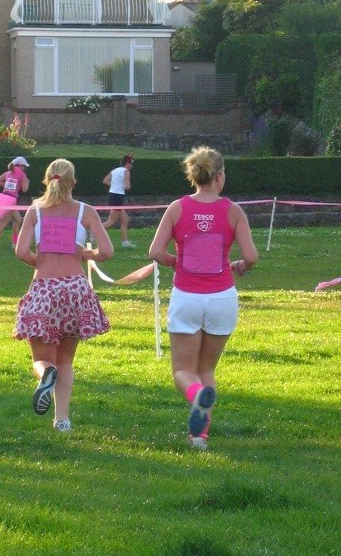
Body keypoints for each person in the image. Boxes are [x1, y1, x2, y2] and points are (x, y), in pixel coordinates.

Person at [148, 146, 258, 451]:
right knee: (207, 369)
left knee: (183, 371)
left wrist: (174, 262)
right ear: (220, 176)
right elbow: (251, 256)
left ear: (193, 175)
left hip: (187, 297)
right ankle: (200, 437)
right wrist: (240, 266)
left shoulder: (177, 208)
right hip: (222, 297)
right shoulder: (233, 211)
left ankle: (195, 394)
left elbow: (155, 252)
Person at [14, 159, 112, 432]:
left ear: (46, 180)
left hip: (45, 287)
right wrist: (85, 254)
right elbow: (106, 252)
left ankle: (45, 373)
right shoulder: (86, 211)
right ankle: (62, 420)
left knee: (42, 358)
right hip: (76, 288)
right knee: (66, 359)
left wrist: (41, 260)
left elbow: (21, 252)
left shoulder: (36, 211)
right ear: (74, 183)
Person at [0, 156, 30, 248]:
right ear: (21, 166)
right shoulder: (22, 175)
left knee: (18, 220)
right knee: (3, 223)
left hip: (3, 197)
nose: (24, 168)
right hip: (11, 200)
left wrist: (6, 185)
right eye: (24, 166)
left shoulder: (8, 173)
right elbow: (24, 189)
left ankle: (15, 243)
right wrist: (26, 182)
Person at [102, 154, 135, 249]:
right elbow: (128, 186)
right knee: (111, 222)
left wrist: (115, 185)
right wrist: (121, 185)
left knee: (125, 220)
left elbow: (105, 181)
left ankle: (125, 242)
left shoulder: (115, 170)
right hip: (118, 197)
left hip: (112, 196)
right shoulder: (126, 172)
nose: (132, 166)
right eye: (131, 163)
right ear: (127, 163)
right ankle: (93, 230)